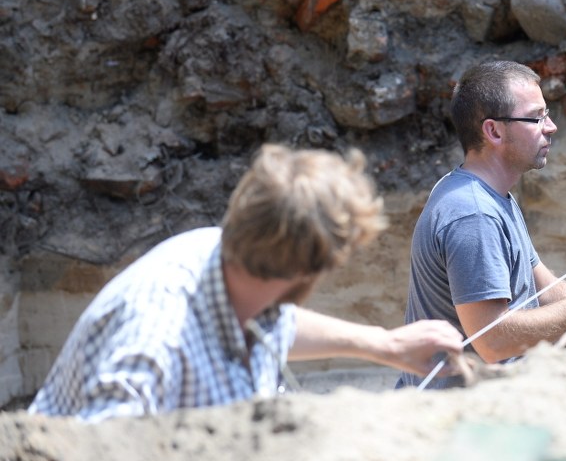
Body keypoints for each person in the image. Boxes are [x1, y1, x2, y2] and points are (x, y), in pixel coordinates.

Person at [29, 144, 463, 421]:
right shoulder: (154, 338)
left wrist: (384, 345)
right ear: (308, 271)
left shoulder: (226, 261)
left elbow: (275, 322)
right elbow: (92, 458)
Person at [397, 60, 566, 389]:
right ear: (494, 131)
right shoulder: (474, 214)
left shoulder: (491, 195)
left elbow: (543, 287)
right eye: (536, 117)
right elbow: (493, 341)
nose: (551, 126)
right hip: (457, 416)